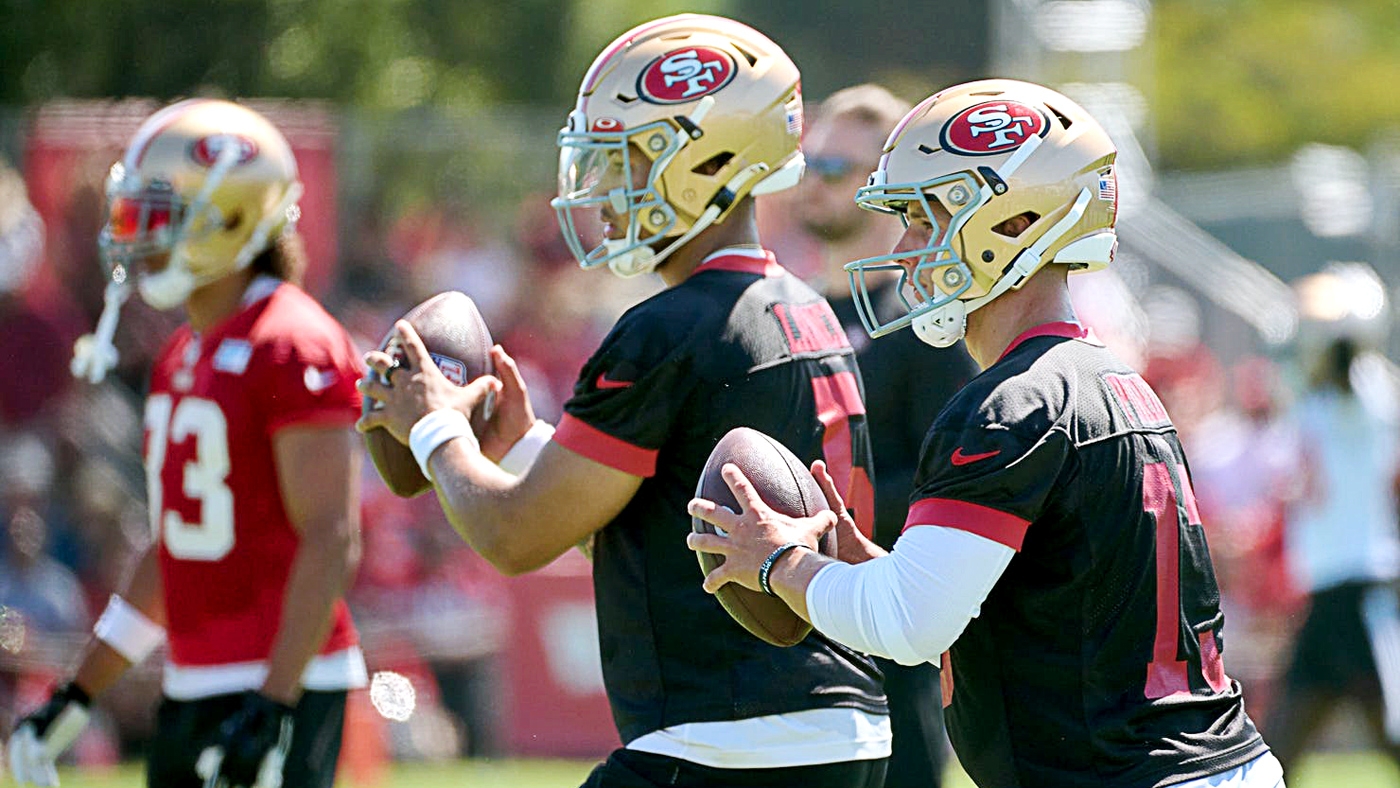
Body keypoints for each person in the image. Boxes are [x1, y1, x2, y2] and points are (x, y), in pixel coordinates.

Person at [687, 78, 1282, 788]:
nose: (906, 245)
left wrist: (777, 560)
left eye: (927, 218)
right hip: (1203, 763)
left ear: (1012, 225)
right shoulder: (1112, 383)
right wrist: (875, 564)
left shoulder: (1011, 405)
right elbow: (1041, 596)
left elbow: (911, 626)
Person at [357, 14, 890, 788]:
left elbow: (513, 538)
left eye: (631, 158)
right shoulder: (807, 310)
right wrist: (526, 448)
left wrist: (435, 423)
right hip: (839, 733)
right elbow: (674, 527)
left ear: (706, 162)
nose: (604, 190)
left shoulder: (667, 328)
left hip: (727, 740)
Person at [7, 99, 366, 788]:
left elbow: (330, 537)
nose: (135, 238)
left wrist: (273, 700)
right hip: (198, 678)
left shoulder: (292, 343)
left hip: (281, 679)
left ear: (228, 218)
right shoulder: (182, 353)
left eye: (156, 216)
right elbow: (177, 552)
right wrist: (78, 693)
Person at [798, 83, 978, 788]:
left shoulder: (922, 320)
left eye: (835, 169)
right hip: (798, 618)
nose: (812, 182)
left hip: (885, 626)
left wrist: (820, 518)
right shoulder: (791, 305)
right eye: (809, 163)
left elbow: (950, 476)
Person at [1265, 264, 1400, 775]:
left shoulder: (1366, 394)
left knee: (1386, 727)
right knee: (1284, 742)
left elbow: (1346, 353)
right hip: (1329, 588)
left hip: (1359, 584)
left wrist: (1341, 320)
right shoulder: (1320, 400)